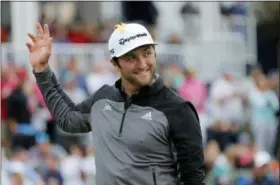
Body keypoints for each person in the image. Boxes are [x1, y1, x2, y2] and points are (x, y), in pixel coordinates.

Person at [26, 22, 205, 185]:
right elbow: (68, 118)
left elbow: (193, 179)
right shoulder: (103, 98)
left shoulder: (178, 110)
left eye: (147, 53)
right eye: (131, 58)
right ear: (114, 63)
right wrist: (42, 70)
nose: (142, 64)